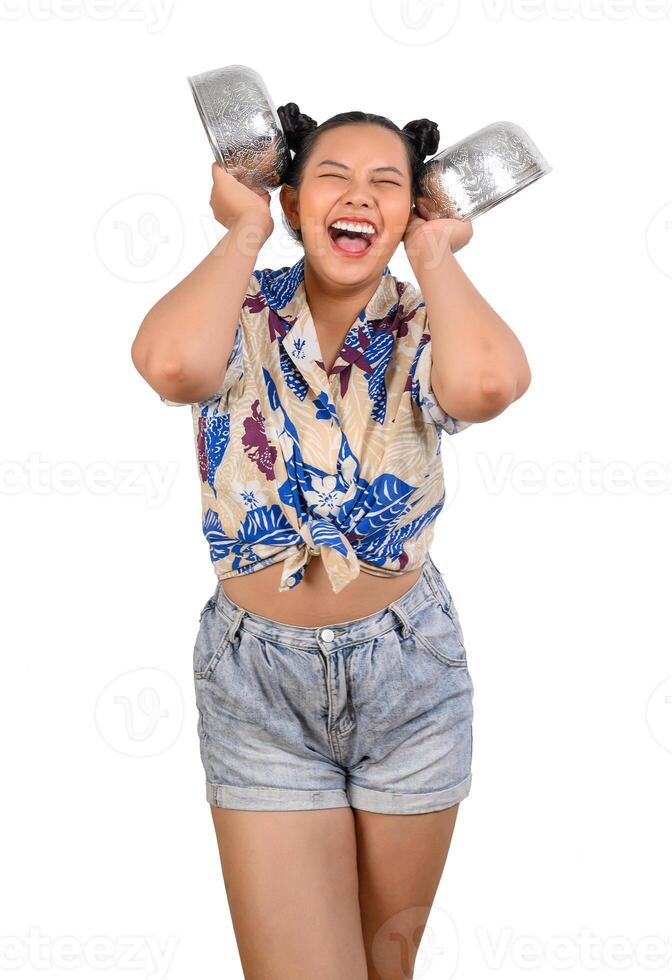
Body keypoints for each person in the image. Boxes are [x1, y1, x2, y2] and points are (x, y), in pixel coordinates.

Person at [131, 103, 531, 980]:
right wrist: (244, 229)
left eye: (387, 183)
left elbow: (489, 384)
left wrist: (432, 255)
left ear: (413, 207)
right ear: (294, 197)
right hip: (258, 684)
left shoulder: (425, 321)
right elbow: (170, 367)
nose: (360, 197)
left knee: (383, 971)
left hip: (410, 677)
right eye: (333, 178)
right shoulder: (239, 309)